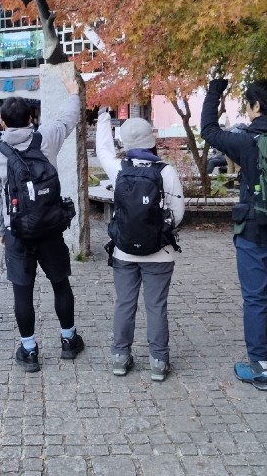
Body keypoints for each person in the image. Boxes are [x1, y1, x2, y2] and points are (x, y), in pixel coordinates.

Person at [201, 78, 267, 391]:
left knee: (255, 299)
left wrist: (215, 91)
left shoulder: (247, 141)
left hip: (254, 232)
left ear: (257, 106)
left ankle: (260, 368)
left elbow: (208, 129)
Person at [0, 71, 82, 373]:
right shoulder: (46, 136)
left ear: (1, 123)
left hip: (19, 233)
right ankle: (68, 340)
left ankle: (29, 350)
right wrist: (73, 92)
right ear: (31, 118)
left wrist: (1, 232)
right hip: (51, 227)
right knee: (60, 283)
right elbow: (69, 118)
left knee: (22, 292)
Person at [95, 109, 185, 380]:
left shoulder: (119, 168)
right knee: (156, 305)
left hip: (124, 251)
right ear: (151, 140)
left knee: (125, 303)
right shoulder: (166, 171)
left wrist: (102, 117)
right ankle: (158, 361)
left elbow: (102, 149)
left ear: (125, 143)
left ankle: (120, 357)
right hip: (160, 252)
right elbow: (178, 213)